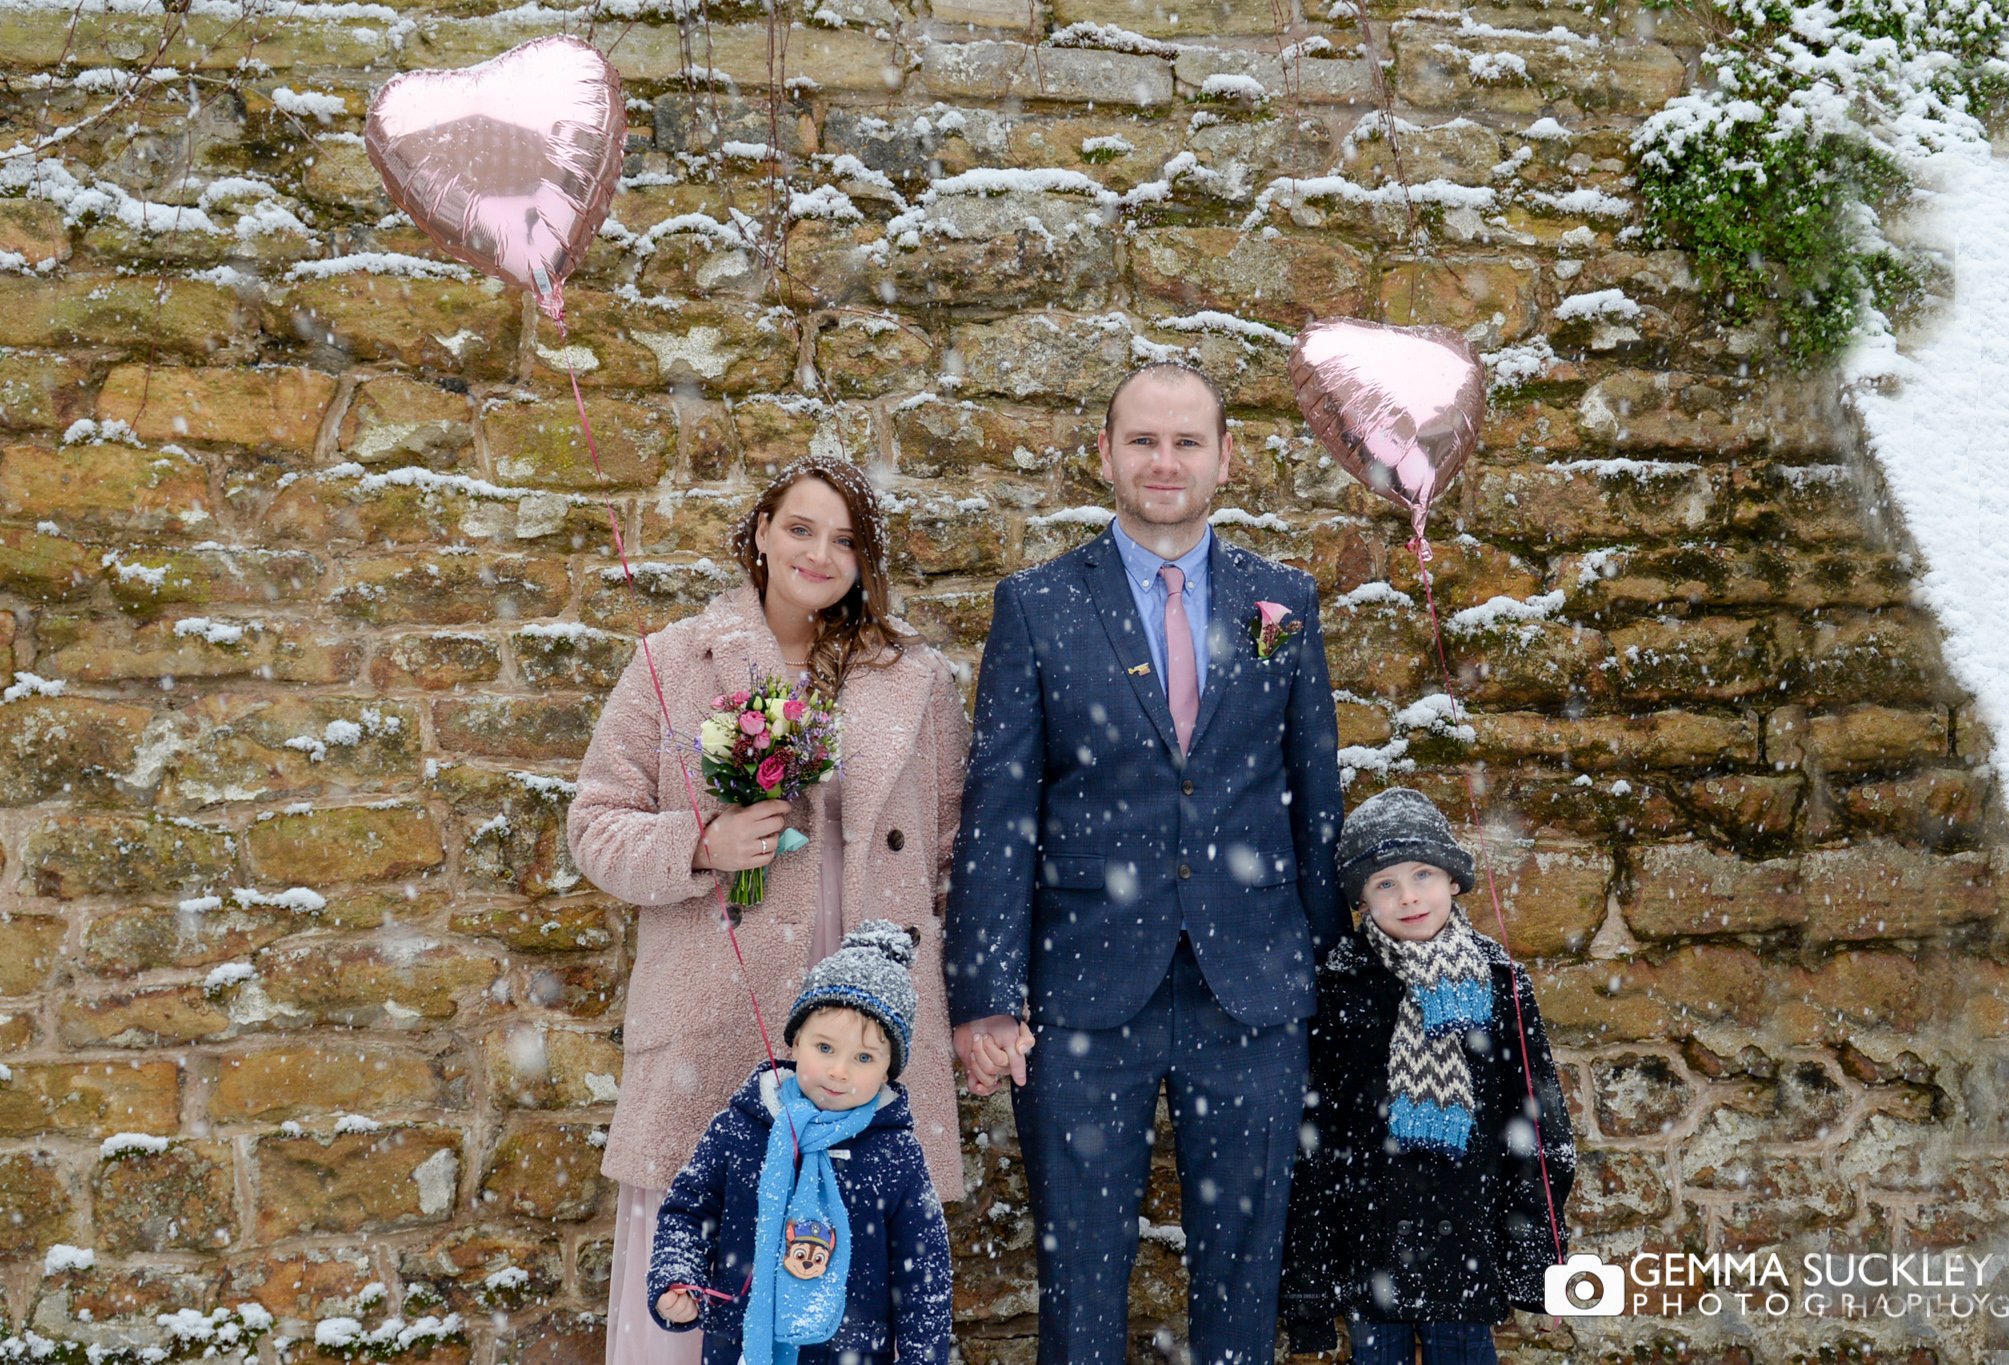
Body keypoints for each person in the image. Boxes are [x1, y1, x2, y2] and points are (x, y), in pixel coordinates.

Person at [945, 361, 1349, 1365]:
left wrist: (1329, 977)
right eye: (1141, 441)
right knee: (1078, 1279)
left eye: (1184, 442)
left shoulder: (1282, 603)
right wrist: (986, 993)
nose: (1162, 461)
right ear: (1104, 455)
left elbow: (1313, 800)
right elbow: (1001, 809)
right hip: (1084, 989)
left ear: (1225, 459)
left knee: (1244, 1276)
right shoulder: (1036, 606)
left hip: (1249, 991)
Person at [566, 456, 970, 1365]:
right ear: (760, 532)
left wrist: (959, 1007)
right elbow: (594, 825)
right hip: (717, 1011)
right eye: (800, 528)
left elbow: (951, 861)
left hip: (860, 1031)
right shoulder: (672, 660)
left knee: (851, 1306)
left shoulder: (919, 682)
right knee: (693, 1279)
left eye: (846, 539)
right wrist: (702, 844)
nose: (820, 554)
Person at [1280, 787, 1576, 1365]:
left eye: (1423, 874)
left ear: (1454, 880)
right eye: (1384, 883)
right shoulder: (1342, 990)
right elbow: (1313, 1137)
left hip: (1467, 1236)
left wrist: (1539, 1256)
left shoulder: (1498, 982)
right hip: (1373, 1241)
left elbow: (1538, 1128)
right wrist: (1311, 1282)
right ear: (1361, 899)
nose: (1409, 897)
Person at [646, 921, 953, 1365]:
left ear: (889, 1069)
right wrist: (678, 1275)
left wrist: (923, 1357)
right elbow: (689, 1210)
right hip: (742, 1344)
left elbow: (925, 1269)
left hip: (851, 1349)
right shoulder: (744, 1125)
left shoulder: (895, 1153)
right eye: (825, 1048)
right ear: (795, 1039)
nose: (839, 1071)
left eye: (864, 1058)